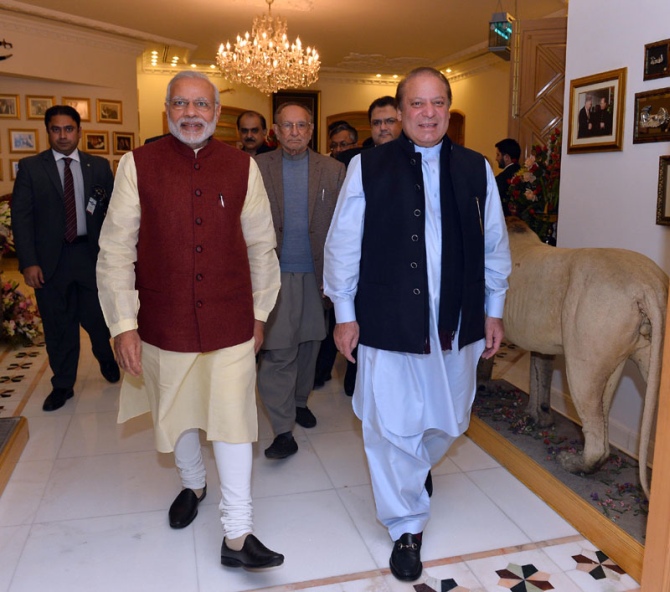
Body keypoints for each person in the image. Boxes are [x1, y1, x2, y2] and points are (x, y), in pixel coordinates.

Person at [323, 67, 512, 582]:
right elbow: (342, 244)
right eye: (417, 104)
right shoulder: (366, 167)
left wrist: (493, 308)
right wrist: (344, 314)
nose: (428, 113)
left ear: (447, 109)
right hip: (387, 318)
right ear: (400, 111)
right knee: (388, 426)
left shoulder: (477, 168)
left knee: (449, 421)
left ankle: (414, 470)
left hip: (455, 321)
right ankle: (406, 524)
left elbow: (494, 243)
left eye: (437, 103)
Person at [95, 71, 284, 570]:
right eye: (181, 103)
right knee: (175, 415)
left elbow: (262, 248)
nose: (191, 113)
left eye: (202, 104)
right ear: (167, 111)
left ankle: (237, 534)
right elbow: (115, 250)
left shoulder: (243, 167)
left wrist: (260, 312)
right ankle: (192, 483)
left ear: (217, 113)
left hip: (230, 320)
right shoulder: (137, 165)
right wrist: (123, 324)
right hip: (163, 320)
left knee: (233, 421)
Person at [11, 105, 120, 412]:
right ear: (47, 132)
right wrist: (28, 262)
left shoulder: (98, 167)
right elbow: (21, 217)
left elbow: (113, 214)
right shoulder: (31, 168)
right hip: (49, 262)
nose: (62, 135)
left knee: (98, 320)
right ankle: (63, 385)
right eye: (56, 129)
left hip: (91, 257)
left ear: (78, 131)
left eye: (68, 129)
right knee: (59, 326)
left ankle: (106, 357)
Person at [255, 102, 346, 459]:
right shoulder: (256, 167)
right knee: (278, 349)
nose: (294, 132)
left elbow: (343, 226)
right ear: (274, 131)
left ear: (311, 130)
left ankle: (298, 401)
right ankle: (282, 430)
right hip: (272, 273)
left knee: (310, 343)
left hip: (317, 273)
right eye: (287, 126)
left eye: (302, 126)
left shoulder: (334, 170)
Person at [322, 95, 404, 394]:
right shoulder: (357, 162)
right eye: (377, 123)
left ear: (403, 120)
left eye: (389, 121)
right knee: (360, 337)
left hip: (404, 277)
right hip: (364, 271)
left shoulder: (424, 162)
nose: (383, 128)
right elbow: (342, 229)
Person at [494, 138, 521, 216]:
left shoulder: (501, 179)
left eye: (498, 155)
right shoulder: (524, 174)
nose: (496, 158)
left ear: (506, 157)